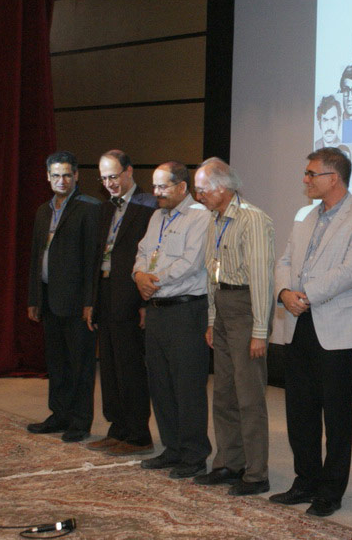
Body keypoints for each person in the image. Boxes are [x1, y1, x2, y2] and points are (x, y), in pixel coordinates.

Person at [271, 147, 352, 517]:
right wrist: (284, 293)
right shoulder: (305, 216)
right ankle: (305, 480)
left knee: (335, 415)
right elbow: (285, 260)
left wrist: (305, 295)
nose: (305, 179)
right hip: (298, 321)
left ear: (333, 178)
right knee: (299, 409)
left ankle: (331, 492)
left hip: (334, 326)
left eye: (311, 173)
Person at [192, 158, 275, 496]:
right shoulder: (215, 219)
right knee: (224, 393)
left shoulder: (252, 219)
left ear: (222, 188)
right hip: (223, 306)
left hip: (245, 307)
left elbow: (261, 278)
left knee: (249, 396)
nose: (198, 196)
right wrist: (212, 319)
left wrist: (260, 330)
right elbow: (211, 273)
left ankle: (256, 474)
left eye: (202, 190)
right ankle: (229, 462)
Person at [134, 162, 211, 479]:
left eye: (163, 186)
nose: (156, 192)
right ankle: (172, 448)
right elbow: (142, 251)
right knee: (161, 383)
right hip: (156, 310)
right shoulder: (157, 217)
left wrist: (153, 280)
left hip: (185, 310)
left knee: (187, 385)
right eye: (154, 186)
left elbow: (191, 262)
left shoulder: (201, 216)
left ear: (182, 187)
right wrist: (139, 275)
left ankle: (194, 455)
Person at [86, 150, 156, 456]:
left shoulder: (148, 205)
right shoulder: (105, 208)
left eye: (113, 176)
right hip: (106, 292)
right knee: (110, 368)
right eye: (103, 178)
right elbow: (97, 256)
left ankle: (138, 434)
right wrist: (91, 300)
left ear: (129, 171)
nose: (109, 184)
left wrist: (144, 302)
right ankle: (118, 429)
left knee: (130, 367)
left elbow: (152, 255)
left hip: (130, 294)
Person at [27, 151, 100, 443]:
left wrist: (90, 302)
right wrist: (34, 297)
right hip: (49, 298)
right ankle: (59, 414)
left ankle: (80, 421)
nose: (61, 180)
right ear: (48, 177)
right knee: (56, 363)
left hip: (77, 302)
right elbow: (36, 256)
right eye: (56, 175)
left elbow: (93, 260)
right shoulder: (42, 211)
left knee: (80, 364)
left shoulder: (89, 208)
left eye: (67, 175)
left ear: (76, 176)